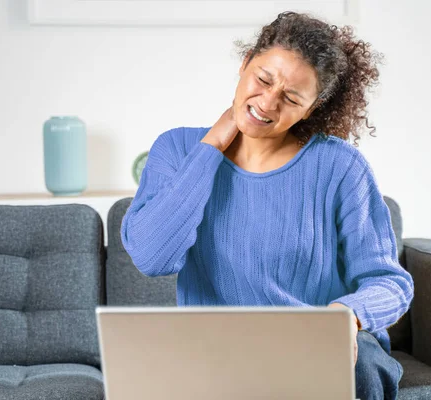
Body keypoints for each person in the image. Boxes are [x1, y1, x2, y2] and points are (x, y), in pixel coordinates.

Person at [121, 11, 414, 400]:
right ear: (245, 64)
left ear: (311, 109)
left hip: (319, 346)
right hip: (217, 348)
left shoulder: (340, 166)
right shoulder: (176, 150)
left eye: (291, 98)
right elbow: (152, 257)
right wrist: (210, 148)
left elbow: (390, 281)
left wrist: (347, 315)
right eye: (263, 79)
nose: (268, 102)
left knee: (359, 365)